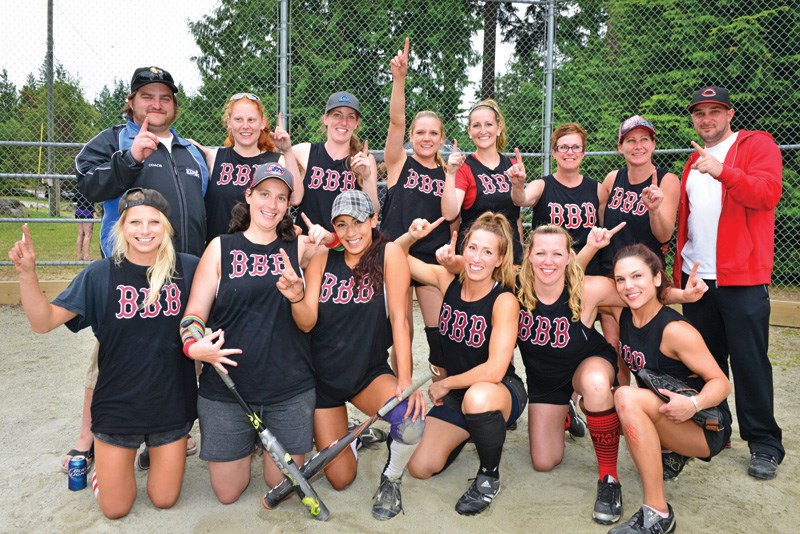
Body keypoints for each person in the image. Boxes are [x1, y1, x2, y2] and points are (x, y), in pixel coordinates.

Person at [9, 189, 199, 519]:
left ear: (167, 227)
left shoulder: (189, 269)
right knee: (116, 508)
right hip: (117, 405)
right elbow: (43, 322)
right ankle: (105, 470)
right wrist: (27, 274)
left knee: (164, 498)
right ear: (121, 227)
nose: (144, 229)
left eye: (154, 222)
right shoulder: (101, 274)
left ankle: (150, 453)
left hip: (172, 403)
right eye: (135, 221)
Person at [70, 66, 206, 473]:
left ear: (175, 106)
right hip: (130, 276)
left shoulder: (190, 151)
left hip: (182, 276)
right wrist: (129, 159)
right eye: (147, 96)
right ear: (131, 102)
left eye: (165, 97)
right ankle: (88, 437)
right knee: (111, 356)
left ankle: (167, 434)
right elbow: (87, 185)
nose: (156, 104)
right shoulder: (114, 141)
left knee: (181, 354)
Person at [181, 163, 323, 503]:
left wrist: (321, 239)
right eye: (263, 194)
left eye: (280, 198)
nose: (271, 205)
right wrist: (194, 346)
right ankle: (250, 440)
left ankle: (265, 440)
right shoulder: (221, 247)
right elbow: (193, 317)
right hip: (228, 389)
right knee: (228, 493)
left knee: (282, 488)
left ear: (289, 205)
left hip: (288, 388)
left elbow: (344, 241)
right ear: (248, 195)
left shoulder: (300, 249)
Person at [281, 189, 425, 520]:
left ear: (374, 221)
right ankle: (355, 438)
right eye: (342, 224)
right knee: (341, 479)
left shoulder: (389, 255)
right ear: (334, 227)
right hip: (323, 379)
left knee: (411, 420)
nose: (351, 232)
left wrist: (404, 378)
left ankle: (391, 479)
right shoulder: (321, 258)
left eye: (359, 222)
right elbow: (306, 323)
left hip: (366, 374)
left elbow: (401, 321)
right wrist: (295, 297)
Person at [674, 85, 784, 480]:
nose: (706, 119)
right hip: (698, 280)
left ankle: (766, 444)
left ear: (730, 113)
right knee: (706, 364)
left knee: (750, 362)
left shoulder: (756, 145)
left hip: (742, 278)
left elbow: (768, 193)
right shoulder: (691, 161)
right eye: (699, 113)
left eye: (714, 111)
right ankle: (717, 432)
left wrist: (725, 172)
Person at [402, 213, 526, 516]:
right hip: (459, 393)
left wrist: (444, 383)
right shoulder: (448, 281)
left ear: (499, 259)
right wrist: (411, 236)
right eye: (472, 248)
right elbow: (397, 257)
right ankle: (472, 429)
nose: (477, 258)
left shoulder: (504, 300)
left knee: (477, 398)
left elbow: (495, 370)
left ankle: (488, 475)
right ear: (462, 249)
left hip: (498, 390)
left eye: (487, 252)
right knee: (420, 466)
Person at [605, 244, 732, 534]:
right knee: (618, 399)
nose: (628, 286)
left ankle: (658, 513)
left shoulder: (675, 331)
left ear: (657, 279)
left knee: (625, 398)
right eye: (621, 279)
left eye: (637, 276)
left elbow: (722, 383)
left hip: (706, 425)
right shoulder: (622, 312)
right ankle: (672, 453)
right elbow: (579, 283)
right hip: (669, 413)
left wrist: (694, 404)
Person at [516, 224, 621, 525]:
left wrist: (684, 295)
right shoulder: (515, 289)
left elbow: (637, 293)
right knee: (544, 462)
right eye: (541, 253)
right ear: (529, 257)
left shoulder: (587, 288)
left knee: (597, 384)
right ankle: (565, 413)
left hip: (584, 366)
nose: (548, 261)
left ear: (569, 257)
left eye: (556, 254)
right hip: (545, 383)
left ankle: (609, 479)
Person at [378, 38, 451, 374]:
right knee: (400, 329)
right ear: (411, 135)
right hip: (397, 252)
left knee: (440, 337)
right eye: (420, 132)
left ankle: (442, 397)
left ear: (442, 138)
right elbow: (395, 122)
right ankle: (401, 397)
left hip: (432, 257)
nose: (426, 138)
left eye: (433, 133)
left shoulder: (449, 171)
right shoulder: (398, 163)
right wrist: (399, 80)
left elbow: (454, 218)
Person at [598, 116, 680, 387]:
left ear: (654, 144)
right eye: (630, 140)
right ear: (620, 146)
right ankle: (615, 418)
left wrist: (655, 208)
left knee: (644, 352)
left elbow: (664, 234)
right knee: (614, 348)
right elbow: (600, 224)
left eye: (645, 139)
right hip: (612, 277)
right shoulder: (612, 179)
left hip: (643, 280)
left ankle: (648, 409)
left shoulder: (667, 181)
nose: (638, 146)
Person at [193, 92, 302, 243]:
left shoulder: (275, 162)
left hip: (258, 254)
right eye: (238, 119)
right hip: (218, 250)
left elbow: (295, 199)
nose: (245, 126)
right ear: (229, 122)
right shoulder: (214, 157)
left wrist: (287, 151)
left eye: (251, 120)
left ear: (262, 122)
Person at [510, 122, 607, 273]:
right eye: (563, 147)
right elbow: (520, 199)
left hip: (587, 271)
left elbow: (605, 229)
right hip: (547, 269)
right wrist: (518, 185)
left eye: (576, 147)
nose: (570, 152)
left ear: (583, 152)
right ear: (554, 152)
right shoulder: (542, 185)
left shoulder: (597, 189)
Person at [441, 99, 526, 264]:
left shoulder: (512, 166)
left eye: (488, 124)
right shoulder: (464, 168)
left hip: (508, 254)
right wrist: (450, 174)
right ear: (469, 131)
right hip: (476, 257)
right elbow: (450, 214)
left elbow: (516, 217)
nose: (483, 131)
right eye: (476, 126)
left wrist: (520, 253)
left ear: (498, 128)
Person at [292, 91, 379, 233]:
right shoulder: (304, 151)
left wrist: (367, 177)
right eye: (337, 115)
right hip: (309, 242)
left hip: (347, 243)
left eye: (350, 117)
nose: (343, 122)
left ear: (356, 123)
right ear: (326, 119)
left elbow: (373, 210)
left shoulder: (364, 159)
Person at [73, 189, 95, 261]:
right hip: (87, 212)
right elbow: (90, 202)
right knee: (88, 234)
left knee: (80, 234)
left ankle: (79, 254)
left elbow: (74, 198)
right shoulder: (90, 187)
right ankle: (86, 255)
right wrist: (93, 212)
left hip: (79, 211)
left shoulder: (80, 186)